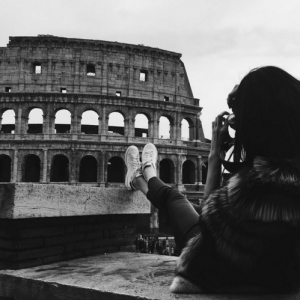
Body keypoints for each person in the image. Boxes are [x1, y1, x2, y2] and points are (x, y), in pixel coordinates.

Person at [124, 66, 300, 293]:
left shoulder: (251, 191)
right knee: (184, 202)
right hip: (284, 271)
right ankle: (143, 175)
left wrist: (215, 154)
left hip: (230, 269)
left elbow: (209, 226)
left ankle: (145, 174)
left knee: (173, 197)